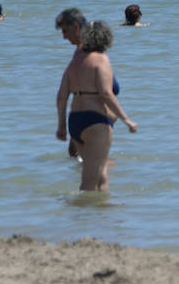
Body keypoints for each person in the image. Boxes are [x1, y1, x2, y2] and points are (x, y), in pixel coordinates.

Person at [55, 20, 136, 191]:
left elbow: (62, 96)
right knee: (90, 180)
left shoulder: (76, 60)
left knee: (100, 175)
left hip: (76, 120)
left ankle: (101, 215)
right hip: (96, 120)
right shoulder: (100, 59)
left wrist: (62, 125)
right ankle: (82, 215)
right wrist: (126, 119)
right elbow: (105, 94)